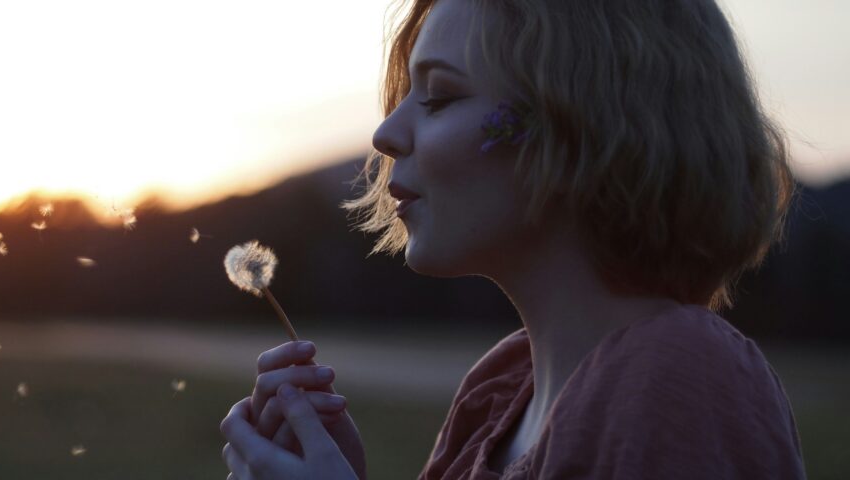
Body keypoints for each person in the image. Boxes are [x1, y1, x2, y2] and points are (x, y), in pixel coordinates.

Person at [219, 0, 808, 477]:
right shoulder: (497, 392)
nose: (386, 133)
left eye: (440, 96)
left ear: (585, 121)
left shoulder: (681, 377)